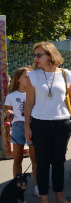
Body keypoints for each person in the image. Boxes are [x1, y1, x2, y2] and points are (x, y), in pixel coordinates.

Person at [25, 42, 71, 203]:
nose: (36, 58)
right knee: (42, 163)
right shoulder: (33, 76)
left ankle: (59, 197)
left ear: (50, 55)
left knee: (58, 162)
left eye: (39, 55)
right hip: (39, 123)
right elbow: (29, 104)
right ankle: (44, 201)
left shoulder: (66, 74)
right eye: (35, 55)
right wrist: (27, 126)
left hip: (62, 123)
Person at [4, 66, 38, 196]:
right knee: (17, 160)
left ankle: (37, 187)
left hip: (32, 125)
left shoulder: (35, 93)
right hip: (17, 126)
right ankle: (17, 188)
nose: (29, 79)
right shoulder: (11, 96)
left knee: (35, 160)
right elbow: (7, 111)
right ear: (18, 79)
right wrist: (8, 112)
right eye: (26, 76)